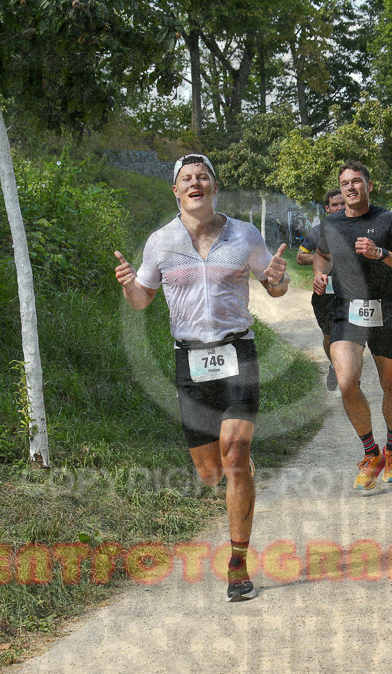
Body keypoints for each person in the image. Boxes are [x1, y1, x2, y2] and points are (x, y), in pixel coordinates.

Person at [114, 154, 289, 602]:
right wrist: (130, 285)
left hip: (237, 351)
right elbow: (142, 301)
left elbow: (275, 285)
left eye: (203, 177)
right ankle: (239, 473)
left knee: (234, 453)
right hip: (189, 360)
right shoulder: (161, 242)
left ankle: (237, 563)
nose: (195, 183)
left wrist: (276, 280)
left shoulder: (243, 234)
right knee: (211, 472)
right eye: (186, 179)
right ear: (176, 191)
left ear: (214, 187)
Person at [313, 161, 392, 491]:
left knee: (391, 389)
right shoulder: (330, 224)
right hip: (346, 313)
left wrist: (381, 253)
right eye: (345, 182)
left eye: (357, 181)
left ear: (369, 185)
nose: (350, 187)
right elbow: (320, 254)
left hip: (383, 312)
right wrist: (320, 275)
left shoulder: (388, 221)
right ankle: (371, 453)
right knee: (347, 383)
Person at [296, 188, 346, 391]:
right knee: (329, 336)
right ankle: (334, 365)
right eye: (335, 204)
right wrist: (325, 259)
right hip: (326, 294)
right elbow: (300, 257)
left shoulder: (359, 229)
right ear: (327, 208)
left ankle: (351, 380)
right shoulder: (318, 232)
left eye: (343, 203)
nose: (340, 208)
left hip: (352, 293)